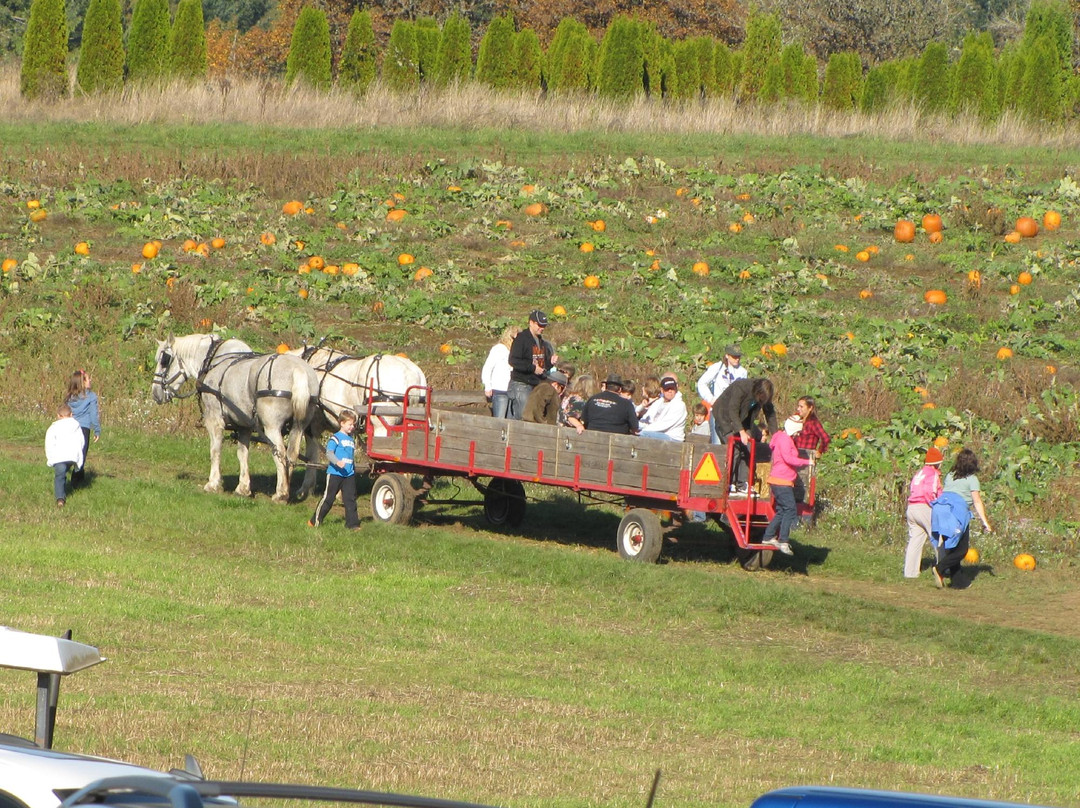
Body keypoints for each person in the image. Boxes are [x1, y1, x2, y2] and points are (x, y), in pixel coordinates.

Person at [931, 448, 992, 588]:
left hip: (942, 510)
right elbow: (977, 502)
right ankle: (940, 568)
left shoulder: (950, 475)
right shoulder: (972, 479)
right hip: (957, 513)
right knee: (962, 550)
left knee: (952, 548)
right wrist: (985, 522)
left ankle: (958, 582)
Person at [760, 415, 813, 556]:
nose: (798, 434)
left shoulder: (781, 438)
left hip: (781, 481)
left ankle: (768, 537)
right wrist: (807, 462)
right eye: (797, 432)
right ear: (792, 429)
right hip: (781, 481)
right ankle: (783, 541)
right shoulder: (784, 440)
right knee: (790, 509)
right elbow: (788, 458)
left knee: (782, 510)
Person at [712, 377, 777, 493]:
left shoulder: (764, 397)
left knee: (749, 448)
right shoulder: (741, 387)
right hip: (724, 419)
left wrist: (777, 436)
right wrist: (741, 432)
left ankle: (743, 484)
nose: (762, 403)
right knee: (734, 449)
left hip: (743, 420)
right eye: (761, 400)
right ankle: (729, 483)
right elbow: (732, 409)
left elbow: (770, 414)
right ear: (758, 392)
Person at [309, 409, 361, 530]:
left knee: (350, 499)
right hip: (335, 473)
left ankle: (352, 524)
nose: (352, 427)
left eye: (353, 425)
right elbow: (329, 453)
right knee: (329, 499)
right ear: (342, 423)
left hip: (349, 474)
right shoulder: (336, 438)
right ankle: (315, 520)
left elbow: (350, 456)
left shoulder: (351, 439)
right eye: (350, 424)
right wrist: (337, 462)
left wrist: (352, 468)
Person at [506, 310, 558, 420]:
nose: (542, 328)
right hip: (521, 384)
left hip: (536, 384)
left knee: (534, 417)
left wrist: (550, 362)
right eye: (539, 325)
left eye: (544, 325)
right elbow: (513, 360)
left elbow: (542, 365)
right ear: (531, 322)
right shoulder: (521, 339)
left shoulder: (541, 342)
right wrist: (533, 368)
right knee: (523, 416)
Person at [904, 447, 945, 579]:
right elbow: (930, 492)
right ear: (937, 463)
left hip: (912, 508)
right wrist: (936, 506)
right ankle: (943, 569)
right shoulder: (932, 474)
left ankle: (910, 573)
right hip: (924, 507)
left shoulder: (919, 473)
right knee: (939, 538)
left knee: (915, 540)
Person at [696, 345, 747, 441]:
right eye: (734, 356)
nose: (737, 359)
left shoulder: (743, 372)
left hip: (734, 414)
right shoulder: (718, 367)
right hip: (718, 412)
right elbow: (701, 383)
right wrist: (711, 399)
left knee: (732, 445)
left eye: (738, 357)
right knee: (717, 443)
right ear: (727, 355)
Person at [45, 403, 84, 508]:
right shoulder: (76, 426)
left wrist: (50, 458)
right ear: (71, 414)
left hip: (59, 456)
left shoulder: (53, 428)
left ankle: (60, 499)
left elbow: (49, 443)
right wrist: (78, 456)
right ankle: (63, 491)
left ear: (58, 415)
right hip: (71, 456)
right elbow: (81, 441)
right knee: (64, 471)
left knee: (59, 476)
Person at [65, 369, 100, 485]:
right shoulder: (91, 396)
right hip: (84, 428)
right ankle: (77, 479)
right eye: (88, 379)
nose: (90, 380)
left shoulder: (69, 397)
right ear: (83, 382)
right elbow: (93, 414)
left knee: (71, 451)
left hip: (70, 427)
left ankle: (65, 471)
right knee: (82, 454)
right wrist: (97, 429)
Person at [481, 326, 519, 418]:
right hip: (500, 389)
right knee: (499, 419)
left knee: (510, 421)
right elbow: (488, 367)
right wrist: (488, 386)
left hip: (512, 390)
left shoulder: (515, 352)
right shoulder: (499, 349)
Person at [638, 375, 688, 441]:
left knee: (643, 434)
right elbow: (647, 418)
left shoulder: (679, 405)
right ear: (662, 390)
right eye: (667, 389)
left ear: (676, 389)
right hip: (659, 433)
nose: (670, 391)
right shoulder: (658, 402)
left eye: (672, 389)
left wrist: (643, 430)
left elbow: (664, 425)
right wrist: (636, 427)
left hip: (673, 437)